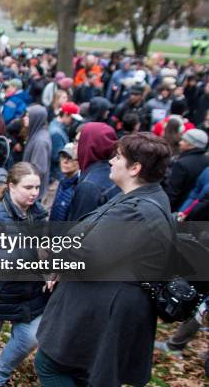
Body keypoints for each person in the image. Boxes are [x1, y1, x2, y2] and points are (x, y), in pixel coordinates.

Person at [35, 132, 173, 387]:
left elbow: (86, 253)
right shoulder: (141, 197)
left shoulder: (137, 211)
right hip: (103, 301)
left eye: (118, 157)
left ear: (135, 168)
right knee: (83, 373)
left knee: (49, 364)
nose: (111, 161)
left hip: (105, 308)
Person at [0, 162, 49, 385]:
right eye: (28, 187)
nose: (34, 193)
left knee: (29, 338)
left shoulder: (38, 214)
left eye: (37, 187)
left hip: (30, 293)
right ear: (11, 186)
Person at [67, 122, 120, 221]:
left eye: (78, 141)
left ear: (90, 145)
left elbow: (79, 228)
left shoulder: (89, 186)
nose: (73, 145)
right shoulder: (114, 172)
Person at [163, 128, 209, 210]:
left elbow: (172, 192)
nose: (180, 143)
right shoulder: (206, 160)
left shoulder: (182, 163)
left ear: (192, 145)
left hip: (178, 208)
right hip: (193, 208)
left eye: (184, 141)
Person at [22, 105, 52, 199]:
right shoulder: (36, 133)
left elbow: (39, 170)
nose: (24, 118)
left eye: (28, 116)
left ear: (36, 118)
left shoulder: (40, 142)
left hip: (33, 194)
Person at [50, 143, 79, 221]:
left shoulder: (79, 186)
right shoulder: (63, 181)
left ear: (78, 161)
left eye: (70, 158)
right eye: (63, 157)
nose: (65, 161)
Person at [49, 102, 76, 181]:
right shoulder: (56, 133)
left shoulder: (58, 127)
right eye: (72, 118)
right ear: (66, 114)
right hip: (56, 176)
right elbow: (57, 157)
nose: (73, 121)